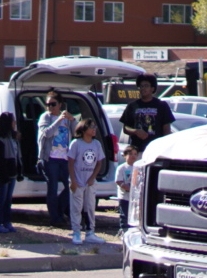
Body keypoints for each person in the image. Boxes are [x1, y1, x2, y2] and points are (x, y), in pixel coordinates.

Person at [37, 91, 74, 228]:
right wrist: (58, 120)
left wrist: (72, 120)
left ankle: (60, 209)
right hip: (50, 158)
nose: (50, 107)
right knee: (52, 187)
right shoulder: (45, 117)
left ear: (60, 105)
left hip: (64, 158)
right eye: (47, 104)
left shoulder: (66, 118)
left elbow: (77, 132)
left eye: (53, 104)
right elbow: (46, 133)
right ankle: (55, 218)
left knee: (71, 186)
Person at [67, 117, 106, 246]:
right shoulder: (76, 143)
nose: (94, 130)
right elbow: (71, 163)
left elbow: (99, 163)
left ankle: (90, 233)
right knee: (76, 208)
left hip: (90, 183)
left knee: (90, 207)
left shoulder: (96, 144)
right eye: (91, 127)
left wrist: (92, 178)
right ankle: (76, 232)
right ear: (84, 129)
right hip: (77, 181)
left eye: (95, 127)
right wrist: (73, 181)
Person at [120, 74, 174, 151]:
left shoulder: (162, 105)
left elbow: (166, 128)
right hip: (137, 149)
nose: (143, 88)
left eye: (146, 86)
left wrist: (165, 147)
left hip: (156, 148)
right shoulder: (132, 106)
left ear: (152, 88)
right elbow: (126, 128)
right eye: (141, 86)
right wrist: (136, 131)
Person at [0, 112, 18, 233]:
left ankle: (7, 221)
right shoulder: (1, 138)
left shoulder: (13, 136)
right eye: (13, 120)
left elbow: (17, 154)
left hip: (13, 172)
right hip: (3, 173)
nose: (14, 123)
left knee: (8, 200)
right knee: (1, 199)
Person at [115, 144, 139, 232]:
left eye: (135, 154)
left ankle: (133, 230)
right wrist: (126, 187)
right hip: (124, 197)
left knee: (134, 214)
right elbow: (118, 181)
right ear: (125, 156)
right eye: (130, 154)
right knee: (124, 214)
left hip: (135, 198)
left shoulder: (138, 167)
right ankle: (123, 230)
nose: (133, 156)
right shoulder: (121, 168)